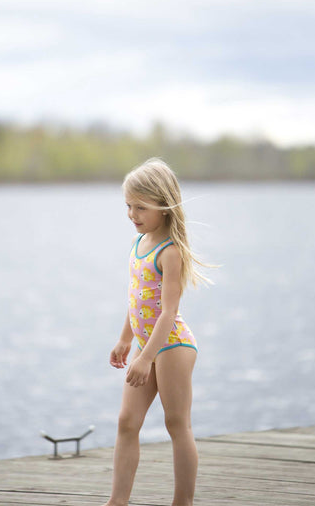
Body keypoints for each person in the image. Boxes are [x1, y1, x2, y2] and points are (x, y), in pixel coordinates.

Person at [103, 158, 215, 506]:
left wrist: (146, 356)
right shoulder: (139, 244)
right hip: (145, 344)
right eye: (128, 206)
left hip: (171, 346)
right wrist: (126, 339)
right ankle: (117, 501)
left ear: (164, 207)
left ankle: (183, 502)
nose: (131, 214)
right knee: (126, 422)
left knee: (176, 423)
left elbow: (168, 312)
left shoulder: (170, 252)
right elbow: (137, 299)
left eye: (140, 207)